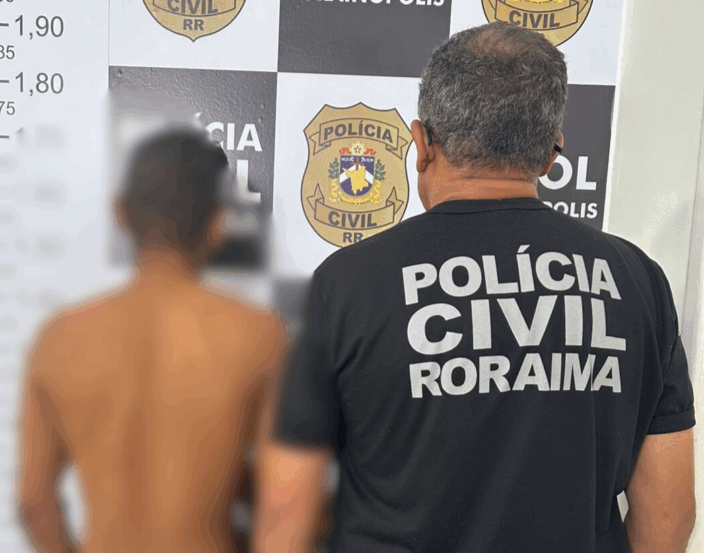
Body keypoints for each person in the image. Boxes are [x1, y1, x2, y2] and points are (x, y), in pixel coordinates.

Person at [254, 22, 697, 553]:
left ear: (421, 144)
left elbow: (287, 510)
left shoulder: (344, 286)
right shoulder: (636, 280)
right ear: (551, 153)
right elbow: (668, 512)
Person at [17, 127, 285, 553]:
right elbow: (282, 503)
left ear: (120, 214)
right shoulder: (258, 334)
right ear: (218, 225)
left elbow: (33, 503)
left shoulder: (61, 336)